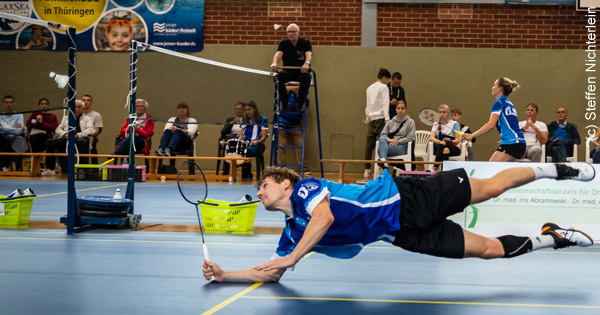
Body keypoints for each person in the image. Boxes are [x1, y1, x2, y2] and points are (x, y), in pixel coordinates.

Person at [203, 163, 595, 283]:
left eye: (265, 184)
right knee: (488, 250)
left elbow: (324, 218)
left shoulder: (306, 190)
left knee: (491, 189)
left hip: (406, 196)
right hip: (401, 233)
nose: (260, 190)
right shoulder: (291, 233)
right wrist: (225, 275)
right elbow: (270, 273)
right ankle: (553, 237)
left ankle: (555, 169)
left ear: (285, 185)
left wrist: (293, 259)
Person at [464, 77, 525, 161]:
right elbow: (511, 124)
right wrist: (504, 138)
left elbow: (490, 125)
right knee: (502, 171)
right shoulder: (509, 104)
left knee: (492, 167)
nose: (492, 87)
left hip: (512, 143)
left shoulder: (498, 103)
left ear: (499, 89)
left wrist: (472, 135)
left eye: (494, 85)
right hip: (517, 142)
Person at [42, 100, 94, 176]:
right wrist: (64, 134)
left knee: (84, 142)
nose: (76, 109)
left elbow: (90, 130)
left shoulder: (87, 119)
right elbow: (58, 129)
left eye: (79, 107)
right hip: (66, 139)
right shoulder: (66, 118)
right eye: (75, 107)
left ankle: (82, 169)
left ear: (83, 109)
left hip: (78, 139)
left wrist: (77, 135)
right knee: (50, 142)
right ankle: (50, 168)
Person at [270, 23, 312, 112]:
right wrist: (274, 63)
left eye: (293, 31)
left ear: (298, 32)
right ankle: (285, 104)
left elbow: (308, 54)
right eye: (289, 32)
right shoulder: (284, 43)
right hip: (288, 72)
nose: (291, 34)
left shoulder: (305, 43)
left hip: (301, 71)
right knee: (278, 76)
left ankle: (300, 104)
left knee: (306, 77)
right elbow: (278, 54)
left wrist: (306, 63)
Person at [364, 68, 391, 178]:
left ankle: (367, 168)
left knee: (369, 144)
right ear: (384, 78)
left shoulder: (369, 88)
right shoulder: (384, 87)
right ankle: (381, 169)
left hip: (371, 118)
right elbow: (385, 102)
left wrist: (367, 117)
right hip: (380, 118)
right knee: (382, 143)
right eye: (387, 80)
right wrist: (387, 118)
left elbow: (367, 105)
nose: (387, 82)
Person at [277, 87, 308, 175]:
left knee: (301, 145)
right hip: (282, 123)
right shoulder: (286, 96)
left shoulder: (305, 99)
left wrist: (304, 108)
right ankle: (281, 168)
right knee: (280, 146)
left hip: (295, 125)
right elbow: (284, 87)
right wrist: (296, 87)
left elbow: (306, 113)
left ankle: (302, 169)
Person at [377, 101, 415, 169]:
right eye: (398, 108)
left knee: (381, 149)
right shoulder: (391, 122)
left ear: (405, 109)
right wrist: (390, 140)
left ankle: (384, 162)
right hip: (391, 144)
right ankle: (384, 161)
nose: (400, 110)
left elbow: (410, 137)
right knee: (381, 139)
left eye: (402, 108)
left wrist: (398, 141)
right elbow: (383, 134)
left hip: (403, 147)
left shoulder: (410, 122)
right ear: (396, 109)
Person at [239, 101, 268, 180]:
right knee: (233, 149)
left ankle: (246, 170)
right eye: (246, 110)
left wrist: (258, 141)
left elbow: (264, 137)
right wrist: (238, 140)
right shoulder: (245, 119)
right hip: (245, 143)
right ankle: (230, 174)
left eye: (249, 109)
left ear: (255, 109)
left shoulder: (263, 119)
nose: (247, 112)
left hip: (258, 144)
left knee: (245, 150)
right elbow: (242, 134)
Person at [430, 104, 461, 171]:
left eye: (444, 112)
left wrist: (449, 141)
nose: (441, 114)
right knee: (445, 150)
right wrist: (440, 141)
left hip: (453, 147)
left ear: (448, 113)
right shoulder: (436, 124)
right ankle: (445, 172)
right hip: (440, 147)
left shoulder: (454, 124)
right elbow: (431, 138)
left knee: (445, 144)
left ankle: (435, 167)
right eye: (440, 112)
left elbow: (457, 140)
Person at [220, 102, 246, 176]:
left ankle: (243, 170)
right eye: (236, 109)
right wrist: (232, 123)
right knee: (228, 145)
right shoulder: (230, 120)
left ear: (244, 110)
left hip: (242, 139)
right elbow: (223, 133)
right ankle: (226, 170)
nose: (238, 111)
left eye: (240, 109)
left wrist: (241, 123)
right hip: (231, 139)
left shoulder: (246, 120)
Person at [0, 95, 25, 171]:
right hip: (2, 137)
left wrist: (4, 128)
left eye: (10, 102)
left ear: (13, 104)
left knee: (8, 140)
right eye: (6, 102)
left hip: (15, 138)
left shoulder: (19, 115)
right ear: (3, 104)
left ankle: (4, 166)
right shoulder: (0, 116)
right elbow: (15, 128)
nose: (8, 104)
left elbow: (19, 130)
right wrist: (13, 127)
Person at [81, 94, 103, 164]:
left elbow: (97, 131)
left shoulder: (96, 115)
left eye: (88, 100)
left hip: (89, 137)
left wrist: (87, 133)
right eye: (84, 100)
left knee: (86, 142)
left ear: (91, 103)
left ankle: (86, 167)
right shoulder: (78, 114)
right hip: (78, 136)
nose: (86, 102)